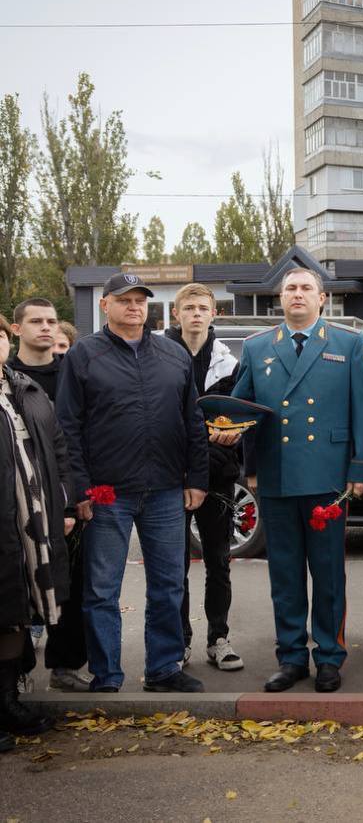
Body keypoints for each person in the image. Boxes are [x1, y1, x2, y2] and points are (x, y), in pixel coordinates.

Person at [56, 272, 208, 693]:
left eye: (140, 299)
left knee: (168, 584)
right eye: (124, 299)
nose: (134, 306)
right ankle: (106, 674)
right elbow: (68, 426)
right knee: (102, 589)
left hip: (163, 490)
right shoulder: (83, 356)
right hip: (107, 494)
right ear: (106, 305)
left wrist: (196, 477)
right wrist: (81, 489)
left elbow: (192, 421)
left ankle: (163, 669)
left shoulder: (173, 355)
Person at [232, 266, 363, 694]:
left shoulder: (348, 344)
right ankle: (291, 656)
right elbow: (242, 409)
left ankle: (330, 656)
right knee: (286, 575)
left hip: (327, 478)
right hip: (277, 477)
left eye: (306, 288)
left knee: (329, 574)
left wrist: (361, 469)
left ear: (322, 299)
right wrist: (239, 450)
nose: (297, 294)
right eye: (290, 288)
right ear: (280, 297)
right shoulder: (257, 348)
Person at [7, 299, 91, 692]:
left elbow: (70, 443)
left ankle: (66, 665)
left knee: (70, 583)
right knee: (15, 587)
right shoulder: (10, 378)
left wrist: (72, 499)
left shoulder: (71, 373)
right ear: (17, 329)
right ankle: (17, 674)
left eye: (51, 321)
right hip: (14, 501)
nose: (45, 327)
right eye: (36, 321)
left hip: (62, 499)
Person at [163, 283, 244, 673]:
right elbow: (159, 423)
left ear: (215, 314)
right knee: (173, 564)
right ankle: (179, 642)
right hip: (170, 478)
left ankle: (219, 638)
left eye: (203, 308)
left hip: (218, 478)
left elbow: (232, 424)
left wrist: (214, 440)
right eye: (189, 307)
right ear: (175, 315)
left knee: (218, 560)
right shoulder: (157, 358)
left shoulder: (230, 365)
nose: (196, 313)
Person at [1, 352, 71, 750]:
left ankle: (8, 704)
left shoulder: (26, 390)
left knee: (14, 611)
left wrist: (63, 501)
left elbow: (57, 447)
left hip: (30, 517)